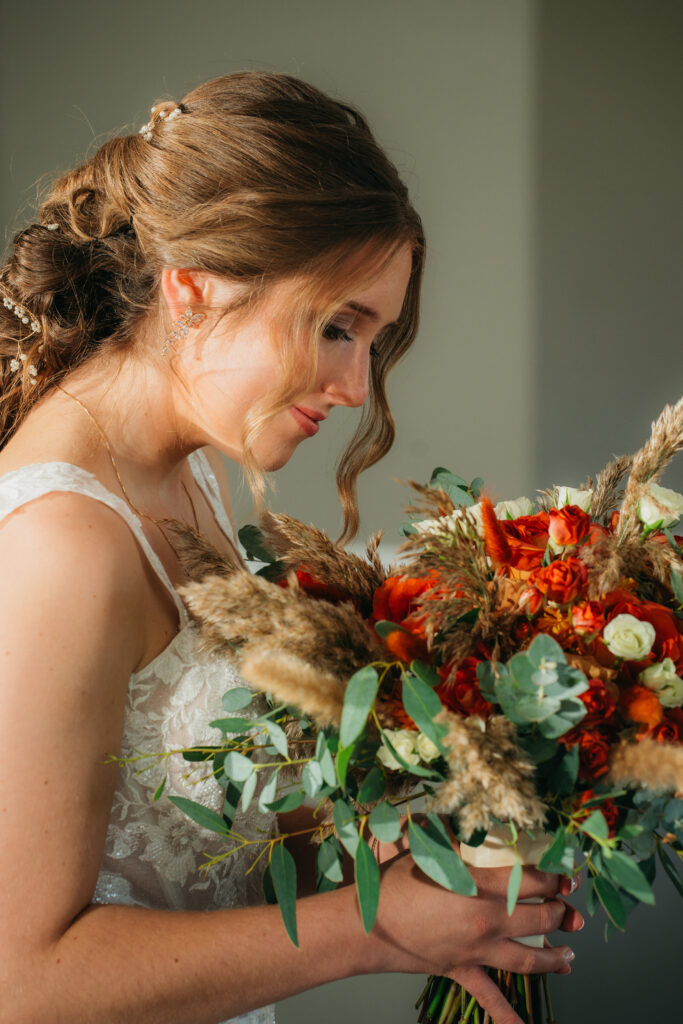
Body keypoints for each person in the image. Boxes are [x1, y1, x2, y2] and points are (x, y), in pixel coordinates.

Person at [0, 72, 582, 1024]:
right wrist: (378, 930)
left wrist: (437, 837)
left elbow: (216, 836)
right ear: (194, 293)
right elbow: (20, 983)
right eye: (337, 326)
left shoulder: (189, 481)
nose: (356, 386)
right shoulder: (64, 545)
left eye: (373, 340)